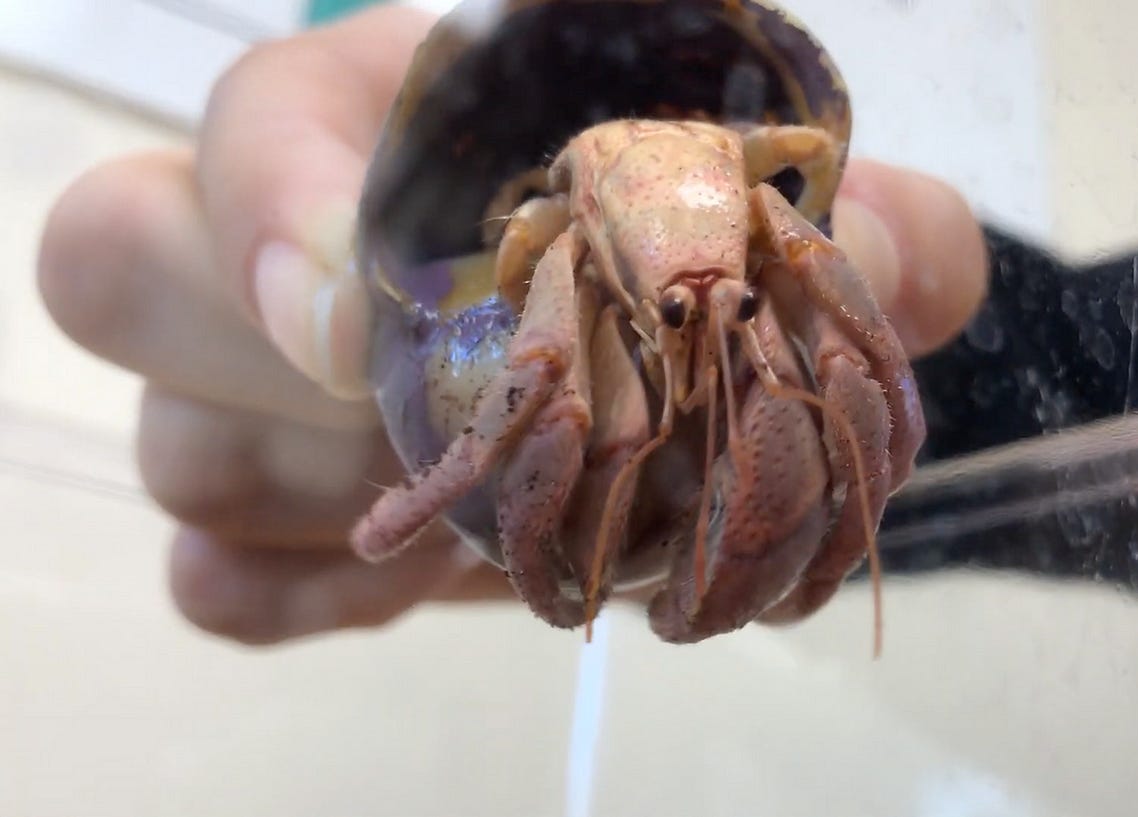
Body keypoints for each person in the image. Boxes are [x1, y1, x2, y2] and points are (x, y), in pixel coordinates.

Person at [34, 6, 990, 646]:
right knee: (568, 401)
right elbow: (527, 255)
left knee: (805, 343)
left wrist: (899, 364)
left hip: (703, 233)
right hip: (584, 223)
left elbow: (816, 197)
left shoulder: (763, 246)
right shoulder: (547, 234)